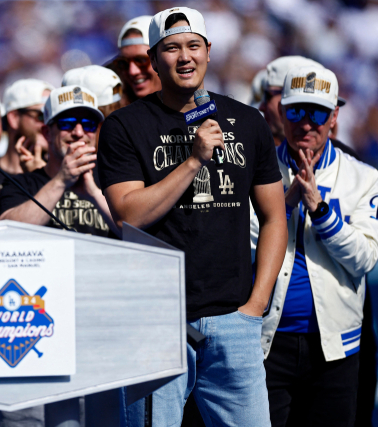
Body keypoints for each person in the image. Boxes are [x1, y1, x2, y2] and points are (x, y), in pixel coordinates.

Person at [97, 7, 287, 425]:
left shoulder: (247, 120)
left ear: (208, 51)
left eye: (193, 46)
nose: (184, 57)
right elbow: (129, 214)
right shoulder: (125, 127)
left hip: (234, 321)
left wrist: (255, 306)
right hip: (156, 324)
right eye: (171, 48)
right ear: (153, 58)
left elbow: (275, 219)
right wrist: (193, 160)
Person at [258, 65, 378, 426]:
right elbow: (242, 248)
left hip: (335, 349)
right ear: (281, 112)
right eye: (296, 111)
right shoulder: (254, 172)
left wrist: (321, 212)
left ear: (334, 117)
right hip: (266, 343)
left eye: (317, 113)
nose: (306, 123)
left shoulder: (364, 178)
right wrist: (286, 204)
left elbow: (365, 260)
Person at [0, 85, 118, 238]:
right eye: (67, 123)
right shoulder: (22, 184)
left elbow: (136, 231)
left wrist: (94, 193)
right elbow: (7, 232)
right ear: (47, 133)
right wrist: (61, 181)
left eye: (88, 124)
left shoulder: (112, 180)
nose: (79, 133)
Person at [1, 78, 54, 175]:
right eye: (41, 115)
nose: (49, 124)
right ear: (14, 118)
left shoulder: (65, 175)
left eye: (52, 117)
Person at [111, 15, 161, 103]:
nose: (132, 71)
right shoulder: (115, 111)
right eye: (123, 63)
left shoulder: (191, 104)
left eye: (141, 60)